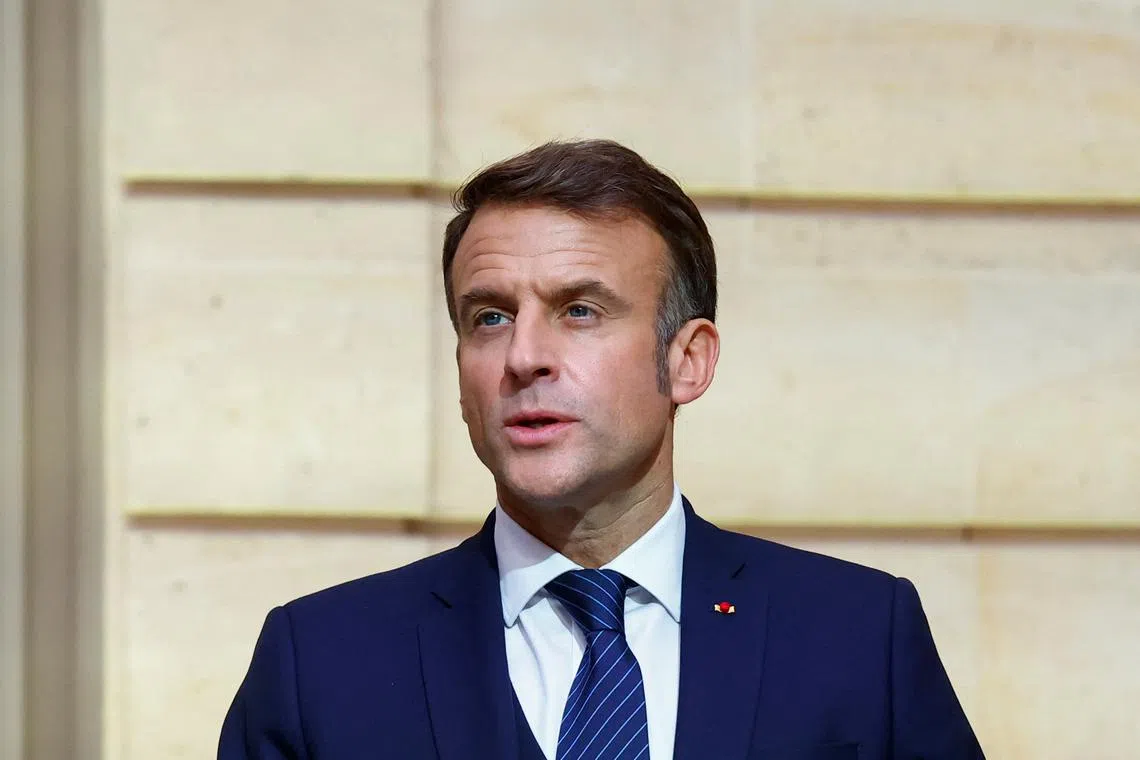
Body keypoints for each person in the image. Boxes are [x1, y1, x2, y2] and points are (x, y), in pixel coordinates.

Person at [218, 139, 984, 759]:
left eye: (579, 310)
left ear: (687, 360)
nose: (523, 357)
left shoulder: (856, 634)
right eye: (488, 318)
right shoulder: (321, 662)